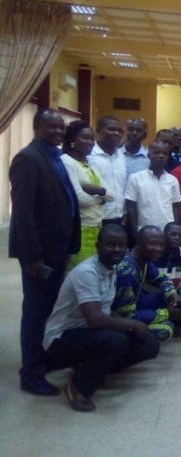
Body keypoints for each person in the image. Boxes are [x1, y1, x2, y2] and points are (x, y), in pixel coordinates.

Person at [43, 225, 159, 412]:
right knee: (115, 340)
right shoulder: (87, 272)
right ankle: (78, 387)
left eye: (121, 245)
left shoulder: (111, 269)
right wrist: (133, 324)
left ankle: (91, 369)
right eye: (111, 245)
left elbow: (105, 311)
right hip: (61, 339)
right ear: (98, 246)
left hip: (89, 333)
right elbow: (95, 319)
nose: (117, 250)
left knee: (149, 344)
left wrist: (133, 327)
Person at [10, 109, 80, 396]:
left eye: (61, 128)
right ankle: (31, 374)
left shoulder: (53, 155)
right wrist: (33, 258)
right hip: (41, 255)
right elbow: (23, 215)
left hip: (57, 248)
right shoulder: (28, 159)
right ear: (37, 127)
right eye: (51, 127)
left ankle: (41, 360)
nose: (57, 132)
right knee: (36, 313)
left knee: (50, 310)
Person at [112, 226, 181, 341]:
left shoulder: (144, 259)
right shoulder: (127, 270)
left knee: (169, 297)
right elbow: (126, 315)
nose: (158, 249)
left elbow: (160, 278)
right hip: (117, 316)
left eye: (161, 245)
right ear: (139, 243)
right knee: (165, 329)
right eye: (152, 244)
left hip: (135, 303)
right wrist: (167, 313)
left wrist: (173, 296)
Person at [61, 120, 110, 269]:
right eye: (85, 137)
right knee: (77, 272)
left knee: (92, 272)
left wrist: (97, 191)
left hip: (96, 226)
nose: (90, 142)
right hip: (79, 228)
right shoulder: (67, 162)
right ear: (72, 140)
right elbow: (78, 199)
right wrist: (100, 196)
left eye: (92, 138)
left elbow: (111, 195)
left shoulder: (91, 164)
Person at [124, 141, 181, 237]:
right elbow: (131, 207)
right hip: (145, 231)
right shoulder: (136, 178)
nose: (161, 156)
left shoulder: (173, 180)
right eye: (157, 153)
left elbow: (175, 206)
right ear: (148, 155)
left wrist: (175, 229)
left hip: (167, 232)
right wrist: (135, 231)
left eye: (165, 154)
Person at [88, 116, 126, 226]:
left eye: (119, 131)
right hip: (96, 218)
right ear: (98, 131)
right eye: (111, 129)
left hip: (120, 218)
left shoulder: (121, 156)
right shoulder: (89, 155)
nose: (116, 133)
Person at [155, 223, 181, 319]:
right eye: (173, 234)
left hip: (175, 298)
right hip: (155, 297)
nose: (177, 238)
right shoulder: (154, 253)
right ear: (164, 235)